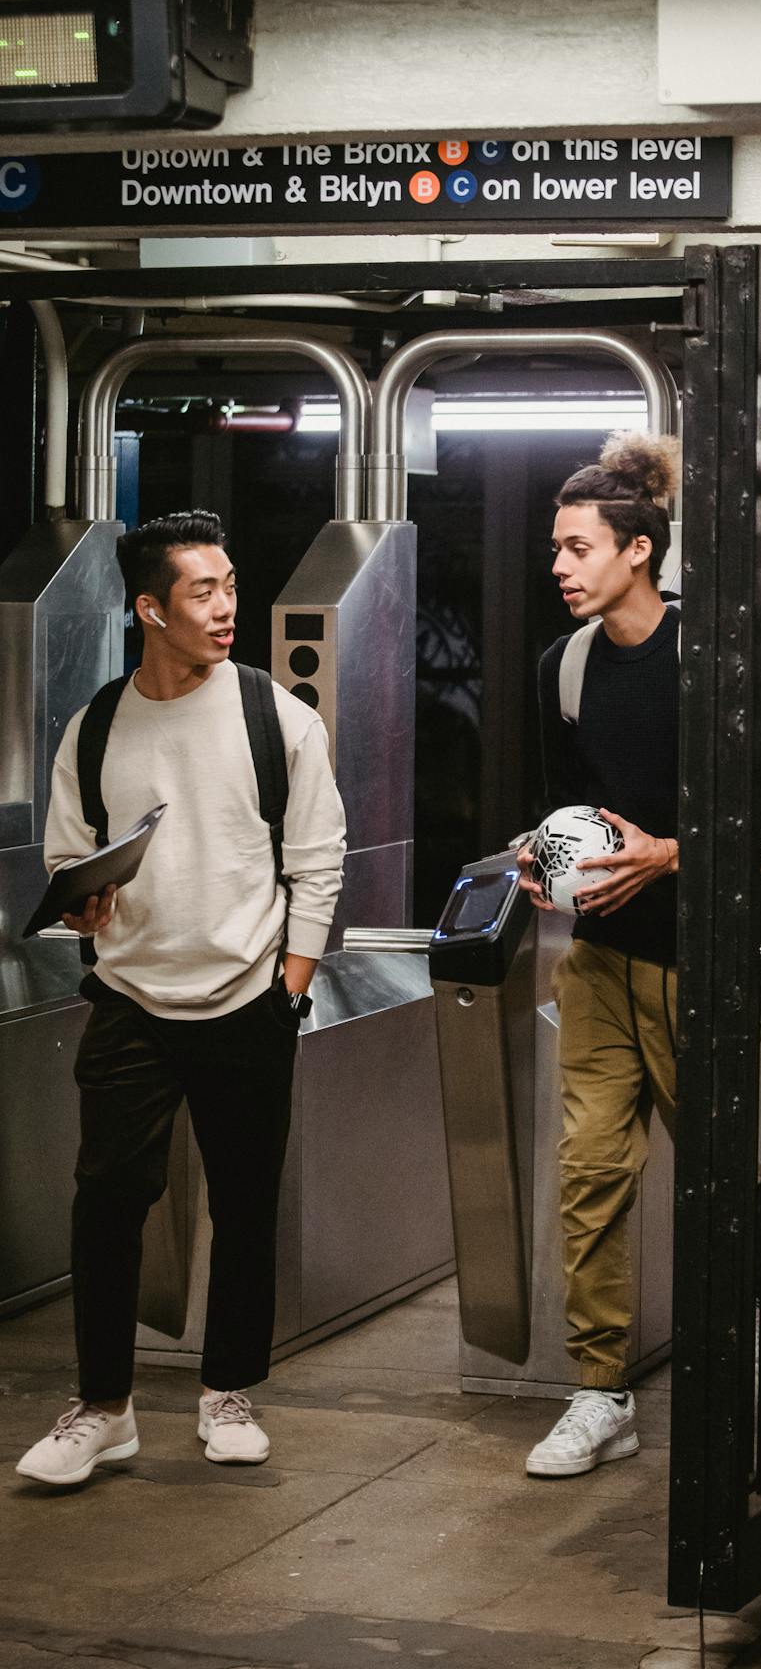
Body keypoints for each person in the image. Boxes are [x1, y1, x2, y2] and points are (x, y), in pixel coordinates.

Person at [16, 511, 346, 1487]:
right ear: (150, 607)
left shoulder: (273, 715)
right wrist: (86, 903)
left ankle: (228, 1392)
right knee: (106, 1202)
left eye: (230, 586)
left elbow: (316, 858)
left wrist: (291, 984)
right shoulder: (99, 724)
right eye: (204, 591)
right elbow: (67, 856)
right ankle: (103, 1408)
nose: (227, 606)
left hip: (248, 999)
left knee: (245, 1205)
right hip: (127, 1000)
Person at [518, 432, 680, 1478]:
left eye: (578, 548)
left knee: (735, 1182)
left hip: (696, 963)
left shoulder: (712, 657)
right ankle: (599, 1392)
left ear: (640, 551)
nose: (561, 567)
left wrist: (672, 853)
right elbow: (558, 805)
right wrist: (540, 857)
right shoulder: (564, 667)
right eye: (556, 550)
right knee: (588, 1180)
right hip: (598, 963)